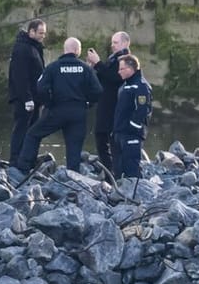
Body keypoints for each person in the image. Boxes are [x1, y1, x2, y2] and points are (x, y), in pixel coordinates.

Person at [18, 37, 101, 172]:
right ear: (77, 51)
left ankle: (23, 169)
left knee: (33, 134)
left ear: (65, 49)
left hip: (57, 110)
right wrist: (87, 103)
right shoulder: (85, 68)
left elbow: (40, 88)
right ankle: (72, 176)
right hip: (77, 112)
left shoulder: (53, 67)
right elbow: (97, 91)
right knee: (74, 146)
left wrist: (48, 103)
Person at [5, 18, 47, 168]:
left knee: (32, 130)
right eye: (41, 33)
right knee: (22, 128)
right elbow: (19, 76)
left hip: (35, 99)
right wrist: (27, 98)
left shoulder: (35, 47)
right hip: (25, 99)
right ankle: (15, 160)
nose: (43, 35)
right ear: (31, 32)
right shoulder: (22, 48)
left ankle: (27, 159)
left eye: (44, 33)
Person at [110, 53, 152, 180]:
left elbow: (143, 110)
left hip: (131, 134)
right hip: (119, 133)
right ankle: (118, 194)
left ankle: (135, 195)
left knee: (132, 168)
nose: (119, 72)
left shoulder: (140, 86)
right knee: (118, 168)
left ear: (131, 68)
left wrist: (133, 126)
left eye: (121, 69)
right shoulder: (125, 86)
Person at [93, 31, 132, 169]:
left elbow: (115, 78)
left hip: (114, 107)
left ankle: (114, 173)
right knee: (101, 138)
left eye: (115, 43)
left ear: (125, 43)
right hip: (105, 105)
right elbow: (104, 77)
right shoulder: (113, 59)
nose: (112, 46)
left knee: (111, 141)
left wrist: (98, 63)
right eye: (112, 43)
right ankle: (110, 171)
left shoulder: (125, 60)